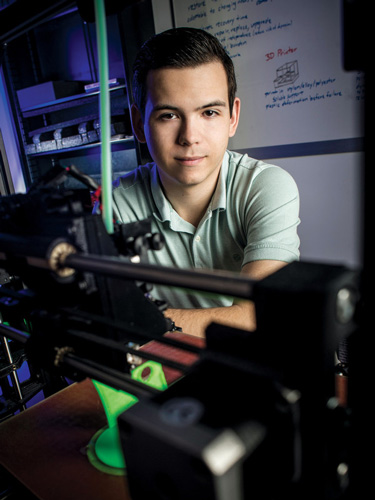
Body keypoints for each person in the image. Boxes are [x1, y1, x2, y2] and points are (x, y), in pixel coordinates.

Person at [111, 27, 300, 338]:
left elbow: (265, 312)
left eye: (209, 112)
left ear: (232, 117)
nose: (189, 137)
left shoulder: (266, 187)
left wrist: (142, 323)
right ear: (138, 124)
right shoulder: (115, 204)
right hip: (166, 370)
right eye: (169, 115)